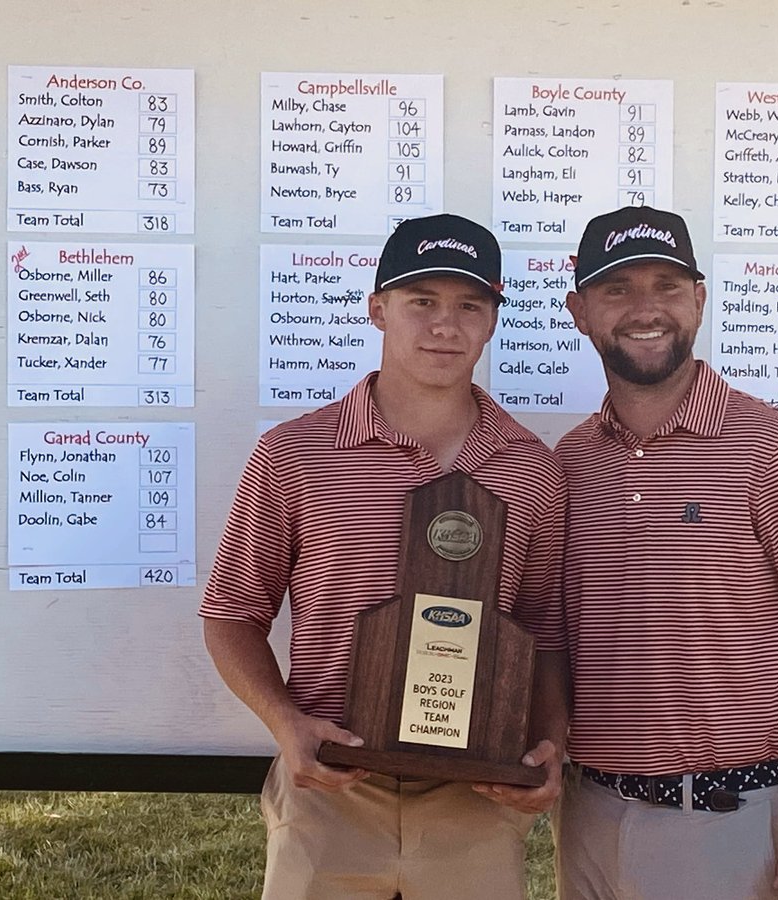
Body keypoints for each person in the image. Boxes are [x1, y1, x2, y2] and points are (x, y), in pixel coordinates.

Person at [199, 213, 569, 900]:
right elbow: (231, 613)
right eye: (421, 301)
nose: (444, 325)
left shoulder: (534, 472)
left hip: (474, 798)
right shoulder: (295, 455)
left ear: (492, 321)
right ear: (378, 310)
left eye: (469, 305)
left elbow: (546, 631)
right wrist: (287, 726)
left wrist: (550, 745)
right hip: (331, 791)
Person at [553, 206, 778, 900]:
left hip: (721, 823)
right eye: (618, 290)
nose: (647, 309)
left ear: (699, 301)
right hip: (585, 816)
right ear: (579, 310)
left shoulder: (769, 447)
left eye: (668, 286)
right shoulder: (572, 461)